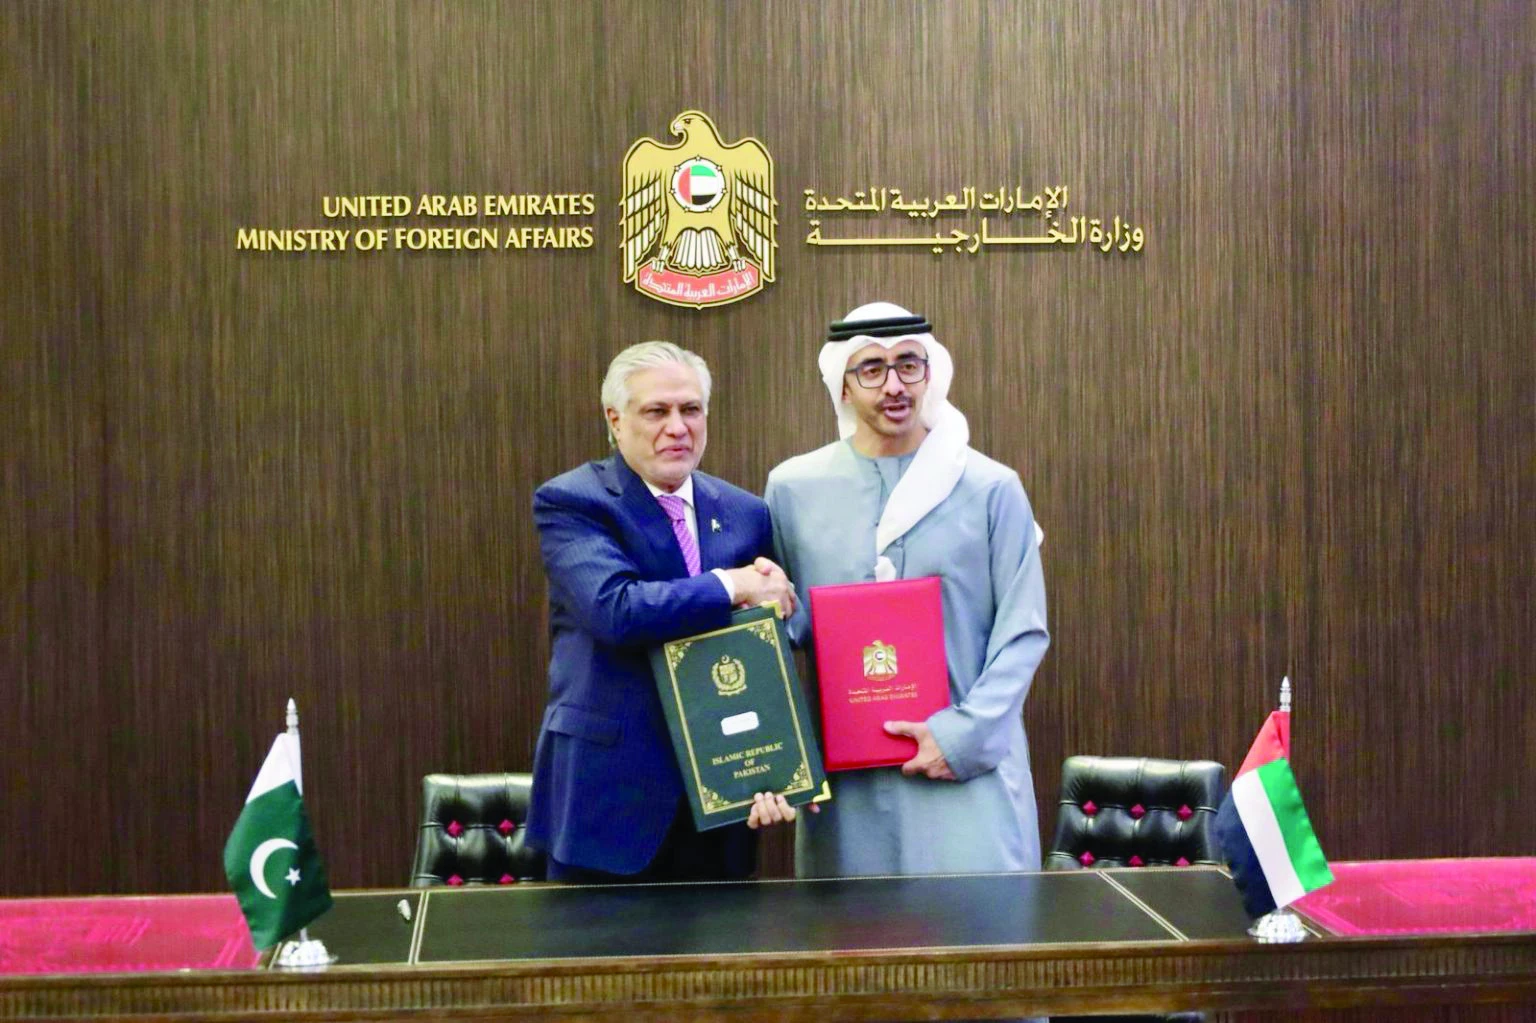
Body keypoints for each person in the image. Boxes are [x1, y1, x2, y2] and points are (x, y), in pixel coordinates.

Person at [763, 302, 1050, 877]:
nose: (894, 385)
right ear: (843, 387)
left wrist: (959, 739)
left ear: (930, 374)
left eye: (908, 365)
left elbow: (1023, 633)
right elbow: (787, 629)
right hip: (849, 788)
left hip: (965, 772)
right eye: (872, 369)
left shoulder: (991, 487)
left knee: (979, 930)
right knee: (854, 932)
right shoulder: (793, 488)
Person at [525, 340, 799, 883]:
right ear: (615, 420)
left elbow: (763, 646)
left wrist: (780, 767)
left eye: (690, 409)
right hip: (608, 804)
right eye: (657, 411)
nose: (677, 427)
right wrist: (732, 583)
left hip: (722, 803)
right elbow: (617, 610)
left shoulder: (746, 513)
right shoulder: (573, 501)